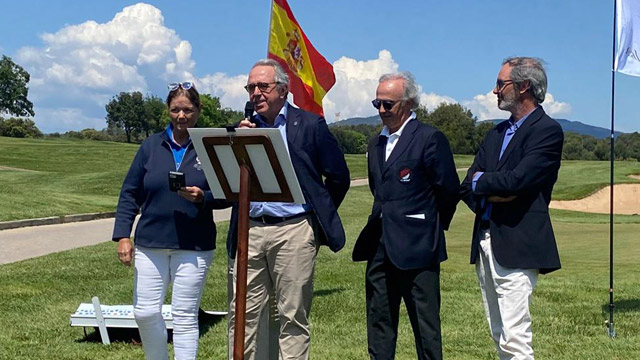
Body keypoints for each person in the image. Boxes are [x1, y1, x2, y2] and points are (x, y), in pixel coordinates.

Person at [227, 58, 350, 360]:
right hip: (250, 230)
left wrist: (313, 216)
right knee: (243, 314)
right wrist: (238, 140)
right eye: (250, 87)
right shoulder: (242, 129)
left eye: (263, 86)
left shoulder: (309, 125)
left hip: (293, 230)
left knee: (292, 316)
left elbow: (338, 177)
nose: (256, 93)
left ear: (283, 89)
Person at [113, 82, 227, 360]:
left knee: (185, 314)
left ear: (198, 111)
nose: (181, 116)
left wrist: (203, 197)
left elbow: (229, 194)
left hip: (194, 245)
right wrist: (123, 235)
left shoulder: (210, 147)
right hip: (151, 242)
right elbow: (130, 192)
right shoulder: (151, 146)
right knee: (145, 311)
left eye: (188, 110)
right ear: (168, 110)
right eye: (176, 110)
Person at [460, 57, 563, 359]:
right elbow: (467, 186)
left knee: (515, 335)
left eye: (501, 84)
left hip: (518, 242)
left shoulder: (547, 131)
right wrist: (493, 188)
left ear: (523, 87)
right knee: (498, 331)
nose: (494, 91)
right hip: (485, 240)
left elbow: (518, 182)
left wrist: (488, 183)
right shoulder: (495, 133)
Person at [352, 72, 460, 360]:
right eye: (378, 103)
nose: (382, 111)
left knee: (425, 329)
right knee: (379, 323)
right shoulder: (375, 144)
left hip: (419, 248)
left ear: (409, 103)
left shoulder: (429, 138)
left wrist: (427, 227)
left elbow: (447, 190)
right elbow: (380, 190)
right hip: (380, 246)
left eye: (388, 104)